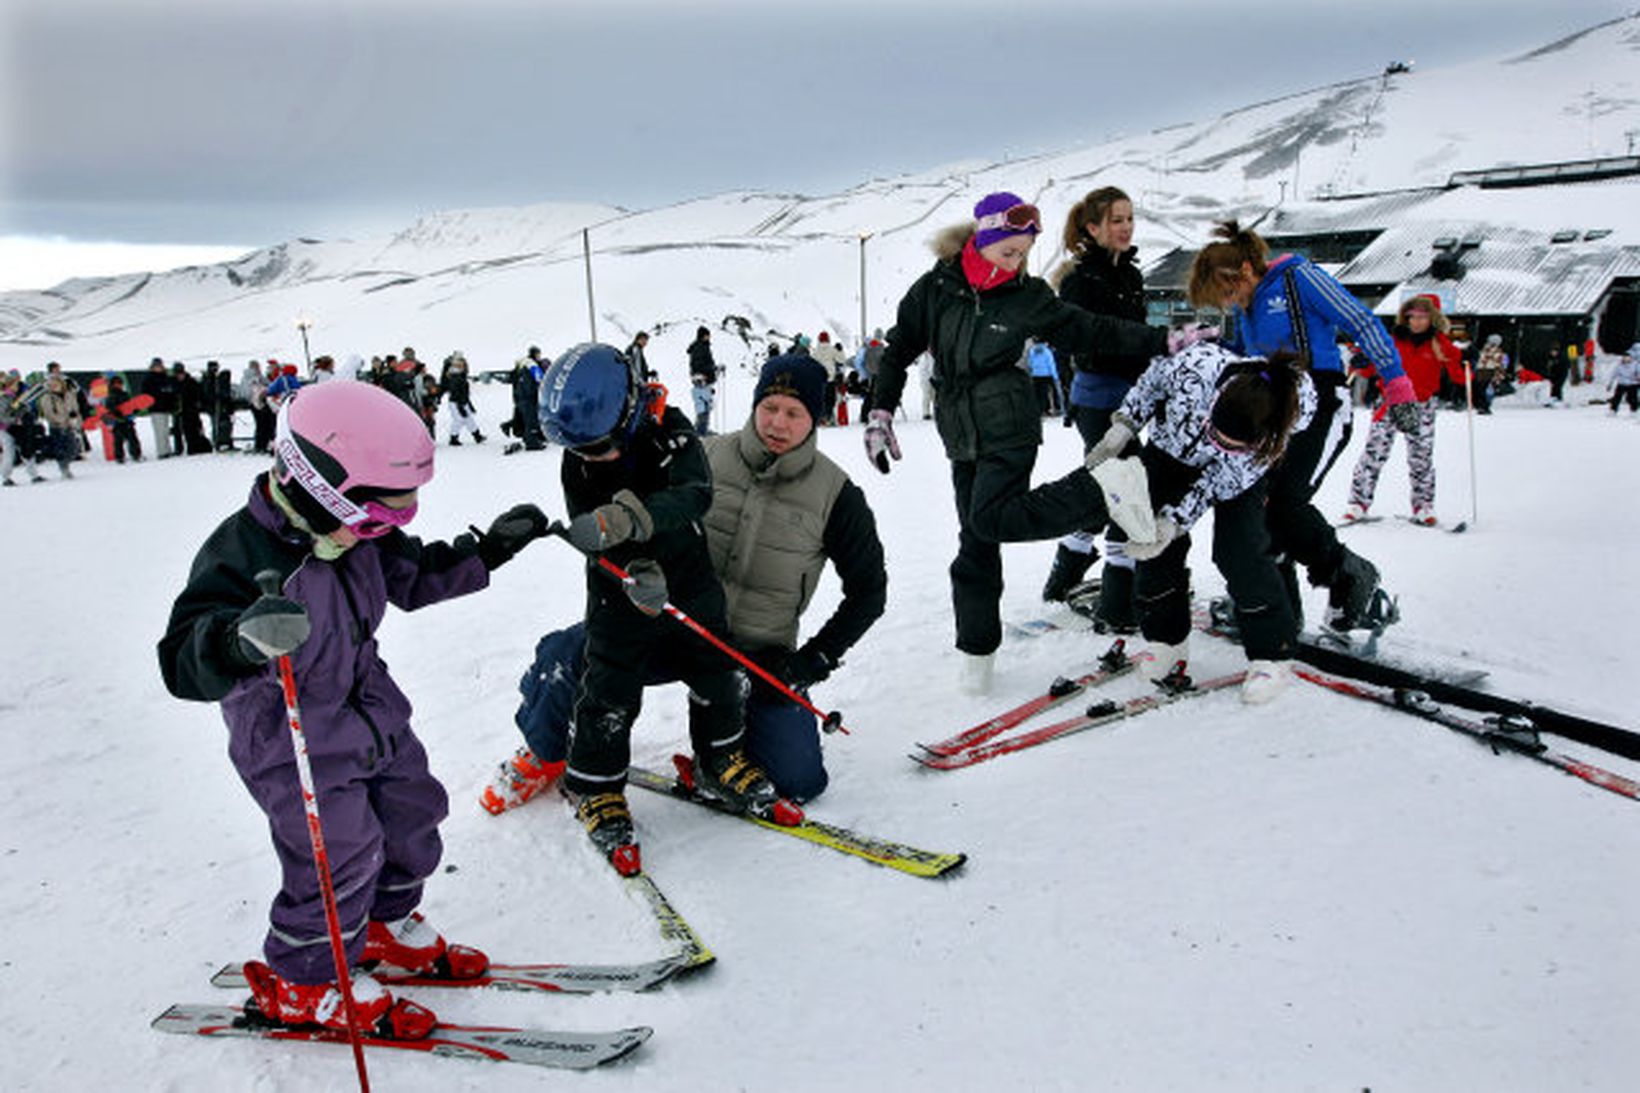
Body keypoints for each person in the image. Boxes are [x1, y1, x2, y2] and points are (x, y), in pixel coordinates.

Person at [156, 380, 551, 1038]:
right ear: (318, 488)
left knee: (414, 811)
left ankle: (380, 926)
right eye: (381, 518)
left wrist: (488, 551)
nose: (389, 531)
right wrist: (237, 638)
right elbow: (179, 661)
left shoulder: (354, 531)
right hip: (289, 731)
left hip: (369, 705)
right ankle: (304, 978)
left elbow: (415, 575)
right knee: (335, 852)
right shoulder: (241, 553)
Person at [483, 353, 887, 813]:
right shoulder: (703, 454)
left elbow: (869, 591)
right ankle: (546, 751)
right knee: (569, 656)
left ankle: (719, 759)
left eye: (794, 413)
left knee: (797, 780)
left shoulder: (837, 494)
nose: (778, 422)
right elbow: (624, 513)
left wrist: (811, 661)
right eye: (769, 407)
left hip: (755, 653)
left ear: (815, 418)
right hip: (668, 620)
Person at [862, 191, 1179, 693]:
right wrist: (880, 409)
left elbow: (1088, 329)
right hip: (958, 428)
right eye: (1008, 251)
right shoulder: (936, 288)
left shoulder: (1027, 296)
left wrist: (1161, 341)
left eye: (1024, 253)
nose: (1017, 263)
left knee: (987, 520)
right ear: (982, 240)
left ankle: (1103, 490)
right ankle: (977, 652)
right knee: (975, 541)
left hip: (1009, 424)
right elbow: (899, 347)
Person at [538, 343, 799, 876]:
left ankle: (719, 758)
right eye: (582, 449)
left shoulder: (672, 430)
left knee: (716, 669)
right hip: (619, 589)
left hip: (690, 577)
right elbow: (592, 529)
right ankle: (597, 784)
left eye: (603, 444)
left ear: (632, 405)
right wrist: (628, 560)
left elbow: (693, 494)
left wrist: (631, 520)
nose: (594, 456)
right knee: (609, 683)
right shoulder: (579, 461)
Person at [1186, 220, 1417, 634]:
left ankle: (1349, 575)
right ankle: (1277, 608)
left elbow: (1360, 321)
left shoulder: (1298, 278)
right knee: (1261, 511)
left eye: (1228, 292)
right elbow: (1241, 354)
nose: (1229, 302)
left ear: (1242, 271)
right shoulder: (1246, 306)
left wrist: (1396, 384)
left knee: (1286, 504)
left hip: (1324, 404)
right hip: (1274, 415)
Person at [1096, 341, 1316, 701]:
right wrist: (1126, 422)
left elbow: (1218, 483)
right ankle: (1165, 640)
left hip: (1237, 476)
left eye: (1228, 443)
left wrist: (1177, 521)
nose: (1217, 444)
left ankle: (1272, 653)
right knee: (1151, 542)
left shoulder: (1275, 428)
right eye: (1215, 433)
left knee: (1239, 550)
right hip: (1170, 451)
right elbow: (1153, 381)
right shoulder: (1196, 367)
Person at [1039, 187, 1151, 633]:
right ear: (1093, 228)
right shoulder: (1081, 280)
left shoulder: (1132, 275)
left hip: (1131, 399)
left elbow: (1137, 334)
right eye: (1116, 220)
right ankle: (1118, 604)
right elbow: (1080, 344)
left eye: (1129, 219)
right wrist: (1140, 351)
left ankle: (1064, 572)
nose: (1125, 227)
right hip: (1100, 401)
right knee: (1129, 494)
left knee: (1110, 490)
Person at [1343, 295, 1458, 525]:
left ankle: (1423, 506)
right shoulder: (1393, 340)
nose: (1416, 322)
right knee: (1374, 454)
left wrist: (1465, 360)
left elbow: (1459, 375)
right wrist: (1362, 362)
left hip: (1422, 406)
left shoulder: (1438, 343)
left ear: (1432, 318)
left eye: (1422, 317)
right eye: (1411, 316)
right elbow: (1370, 368)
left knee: (1421, 458)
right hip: (1389, 402)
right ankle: (1358, 503)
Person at [1, 370, 45, 485]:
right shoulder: (4, 397)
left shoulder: (17, 396)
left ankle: (34, 475)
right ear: (9, 385)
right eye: (14, 384)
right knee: (9, 453)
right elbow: (3, 416)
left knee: (27, 449)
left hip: (18, 428)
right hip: (5, 429)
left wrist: (25, 411)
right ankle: (6, 477)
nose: (17, 386)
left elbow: (21, 409)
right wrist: (15, 420)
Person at [36, 372, 81, 479]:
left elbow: (75, 408)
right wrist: (61, 421)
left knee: (73, 448)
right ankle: (64, 469)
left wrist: (75, 419)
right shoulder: (47, 397)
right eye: (51, 384)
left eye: (55, 384)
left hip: (70, 425)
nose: (53, 386)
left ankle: (66, 464)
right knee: (60, 450)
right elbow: (49, 413)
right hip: (56, 427)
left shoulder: (69, 394)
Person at [505, 346, 547, 453]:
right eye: (538, 354)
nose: (539, 356)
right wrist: (537, 392)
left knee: (526, 419)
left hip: (520, 397)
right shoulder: (531, 365)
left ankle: (531, 437)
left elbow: (512, 378)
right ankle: (532, 443)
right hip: (528, 398)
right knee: (531, 420)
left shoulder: (523, 363)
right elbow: (539, 380)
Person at [440, 351, 484, 445]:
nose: (463, 367)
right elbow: (456, 393)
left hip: (463, 401)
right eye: (459, 366)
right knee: (459, 419)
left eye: (462, 365)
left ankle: (477, 436)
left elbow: (464, 386)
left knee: (469, 418)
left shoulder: (459, 375)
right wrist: (460, 407)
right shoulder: (455, 377)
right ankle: (453, 438)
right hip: (456, 402)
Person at [103, 373, 144, 463]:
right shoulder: (110, 396)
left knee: (133, 438)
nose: (119, 385)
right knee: (118, 440)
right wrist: (117, 413)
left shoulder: (125, 394)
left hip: (127, 420)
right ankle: (119, 457)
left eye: (120, 383)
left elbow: (130, 405)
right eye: (116, 384)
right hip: (117, 421)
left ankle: (136, 454)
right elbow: (109, 408)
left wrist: (135, 410)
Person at [142, 357, 177, 459]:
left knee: (166, 430)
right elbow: (146, 394)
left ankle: (167, 449)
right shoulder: (149, 379)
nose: (158, 368)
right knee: (159, 430)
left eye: (159, 366)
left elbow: (171, 391)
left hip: (165, 407)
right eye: (156, 366)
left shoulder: (165, 377)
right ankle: (162, 451)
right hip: (156, 408)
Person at [687, 326, 718, 435]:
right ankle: (701, 432)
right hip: (702, 381)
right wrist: (713, 369)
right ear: (703, 335)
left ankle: (701, 430)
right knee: (704, 407)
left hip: (701, 380)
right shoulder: (701, 347)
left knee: (703, 406)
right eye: (707, 335)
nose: (709, 337)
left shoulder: (698, 347)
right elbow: (700, 364)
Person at [1472, 333, 1507, 415]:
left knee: (1483, 389)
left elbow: (1498, 363)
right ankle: (1480, 405)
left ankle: (1484, 406)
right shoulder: (1486, 349)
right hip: (1482, 370)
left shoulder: (1496, 351)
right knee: (1479, 388)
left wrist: (1498, 375)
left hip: (1488, 371)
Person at [1610, 342, 1640, 415]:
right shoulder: (1620, 365)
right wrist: (1610, 382)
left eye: (1627, 357)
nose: (1626, 359)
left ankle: (1634, 410)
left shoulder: (1635, 364)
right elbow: (1614, 373)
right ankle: (1613, 410)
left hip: (1632, 383)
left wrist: (1638, 377)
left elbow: (1638, 371)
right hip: (1622, 383)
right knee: (1617, 397)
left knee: (1632, 397)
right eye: (1624, 357)